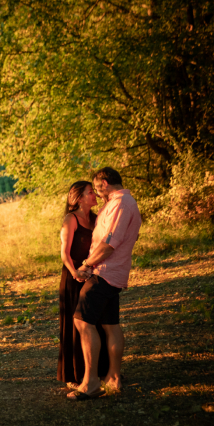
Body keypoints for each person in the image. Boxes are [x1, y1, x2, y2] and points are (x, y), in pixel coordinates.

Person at [67, 167, 142, 401]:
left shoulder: (121, 204)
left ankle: (90, 384)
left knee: (81, 320)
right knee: (110, 324)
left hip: (104, 273)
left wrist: (86, 265)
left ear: (105, 182)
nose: (97, 194)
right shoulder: (120, 203)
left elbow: (109, 244)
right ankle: (113, 377)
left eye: (96, 188)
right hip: (114, 274)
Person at [58, 181, 109, 389]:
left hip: (92, 276)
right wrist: (75, 272)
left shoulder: (97, 219)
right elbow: (64, 252)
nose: (95, 195)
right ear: (79, 198)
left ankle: (97, 371)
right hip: (72, 277)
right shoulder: (71, 219)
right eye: (91, 192)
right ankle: (75, 373)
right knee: (74, 325)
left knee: (94, 324)